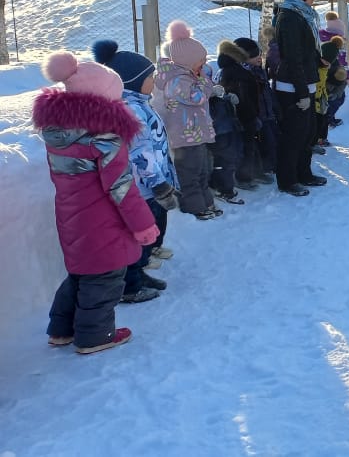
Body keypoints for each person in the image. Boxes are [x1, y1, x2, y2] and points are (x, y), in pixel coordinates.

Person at [33, 52, 159, 354]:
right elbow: (121, 188)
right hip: (103, 222)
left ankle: (61, 329)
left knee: (80, 273)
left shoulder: (59, 134)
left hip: (71, 217)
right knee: (105, 278)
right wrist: (144, 225)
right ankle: (95, 335)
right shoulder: (105, 138)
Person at [92, 40, 173, 304]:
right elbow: (140, 152)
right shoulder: (131, 110)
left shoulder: (138, 102)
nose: (155, 80)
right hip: (143, 187)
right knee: (141, 234)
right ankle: (130, 284)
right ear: (133, 80)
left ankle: (138, 272)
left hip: (148, 184)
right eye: (150, 77)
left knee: (149, 233)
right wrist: (159, 184)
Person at [155, 21, 220, 220]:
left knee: (202, 171)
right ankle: (194, 207)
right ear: (188, 61)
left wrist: (202, 79)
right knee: (189, 174)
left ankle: (205, 202)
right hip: (185, 136)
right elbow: (197, 97)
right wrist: (206, 82)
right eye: (201, 60)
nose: (204, 64)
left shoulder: (188, 76)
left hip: (195, 134)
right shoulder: (177, 80)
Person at [273, 0, 326, 196]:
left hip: (306, 83)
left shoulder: (303, 15)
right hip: (293, 87)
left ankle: (304, 173)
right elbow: (292, 57)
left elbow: (306, 50)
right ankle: (288, 180)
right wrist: (302, 93)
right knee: (294, 136)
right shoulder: (289, 18)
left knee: (308, 133)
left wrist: (318, 60)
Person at [216, 39, 264, 190]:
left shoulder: (233, 69)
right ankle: (243, 177)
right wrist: (250, 116)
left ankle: (252, 173)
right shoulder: (238, 72)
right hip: (243, 117)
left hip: (243, 115)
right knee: (245, 148)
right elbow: (243, 98)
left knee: (249, 146)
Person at [233, 36, 278, 184]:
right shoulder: (244, 74)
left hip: (268, 113)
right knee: (261, 144)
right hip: (257, 116)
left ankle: (269, 166)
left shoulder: (259, 70)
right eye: (253, 55)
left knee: (272, 140)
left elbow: (267, 92)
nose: (258, 58)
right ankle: (261, 170)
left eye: (259, 54)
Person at [205, 59, 245, 206]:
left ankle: (220, 185)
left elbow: (221, 101)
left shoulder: (216, 91)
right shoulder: (203, 94)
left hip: (227, 130)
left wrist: (229, 99)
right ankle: (224, 190)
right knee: (225, 161)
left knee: (228, 159)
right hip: (218, 133)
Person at [319, 11, 349, 127]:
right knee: (338, 98)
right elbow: (343, 63)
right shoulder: (337, 44)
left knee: (325, 97)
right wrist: (348, 77)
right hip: (335, 78)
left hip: (322, 75)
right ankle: (328, 119)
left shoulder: (321, 40)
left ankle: (326, 118)